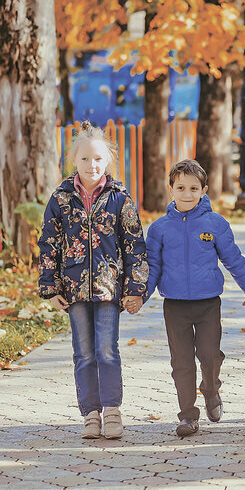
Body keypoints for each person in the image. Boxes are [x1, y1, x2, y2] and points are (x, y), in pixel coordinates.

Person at [38, 121, 148, 439]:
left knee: (107, 350)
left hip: (108, 287)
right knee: (83, 352)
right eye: (85, 159)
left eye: (98, 158)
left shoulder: (119, 199)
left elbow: (134, 246)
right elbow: (49, 244)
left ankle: (112, 410)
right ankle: (91, 413)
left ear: (108, 161)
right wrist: (49, 286)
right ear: (74, 160)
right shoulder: (60, 200)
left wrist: (135, 289)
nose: (92, 165)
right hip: (73, 290)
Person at [144, 159, 245, 437]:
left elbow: (233, 259)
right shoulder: (159, 229)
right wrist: (139, 296)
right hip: (174, 306)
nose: (187, 194)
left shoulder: (215, 224)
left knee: (209, 356)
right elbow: (152, 267)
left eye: (194, 188)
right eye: (181, 187)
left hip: (208, 304)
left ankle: (211, 388)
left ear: (204, 190)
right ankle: (187, 416)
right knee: (182, 362)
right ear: (170, 189)